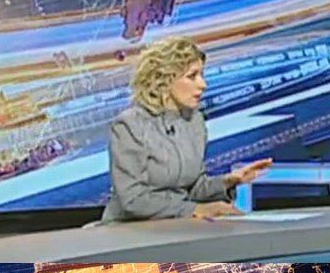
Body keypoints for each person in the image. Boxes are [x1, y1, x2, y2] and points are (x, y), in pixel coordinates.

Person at [102, 36, 272, 223]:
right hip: (128, 229)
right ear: (164, 80)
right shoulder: (130, 125)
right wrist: (194, 210)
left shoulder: (195, 121)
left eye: (202, 75)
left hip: (176, 226)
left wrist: (229, 181)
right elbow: (133, 199)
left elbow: (192, 189)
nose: (203, 85)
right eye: (192, 76)